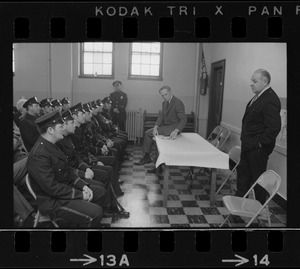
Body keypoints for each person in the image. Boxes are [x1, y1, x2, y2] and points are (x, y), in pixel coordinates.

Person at [27, 110, 108, 228]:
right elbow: (52, 188)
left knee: (100, 193)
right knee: (96, 213)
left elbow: (68, 169)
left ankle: (82, 222)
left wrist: (83, 185)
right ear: (50, 130)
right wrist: (80, 194)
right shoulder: (39, 155)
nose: (64, 127)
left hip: (64, 191)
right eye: (61, 126)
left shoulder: (52, 145)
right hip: (53, 201)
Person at [236, 69, 281, 204]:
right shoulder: (258, 96)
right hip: (248, 146)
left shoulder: (270, 99)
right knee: (243, 178)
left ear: (265, 81)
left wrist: (259, 144)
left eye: (254, 81)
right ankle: (238, 207)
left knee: (257, 183)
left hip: (257, 150)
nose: (251, 84)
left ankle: (257, 212)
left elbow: (274, 128)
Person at [136, 85, 187, 168]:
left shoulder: (178, 103)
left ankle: (150, 159)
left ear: (170, 92)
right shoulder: (165, 103)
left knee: (151, 135)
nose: (164, 97)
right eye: (162, 95)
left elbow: (183, 119)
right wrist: (156, 127)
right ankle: (150, 159)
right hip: (166, 127)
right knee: (149, 133)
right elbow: (161, 116)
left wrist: (176, 130)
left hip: (173, 128)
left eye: (165, 94)